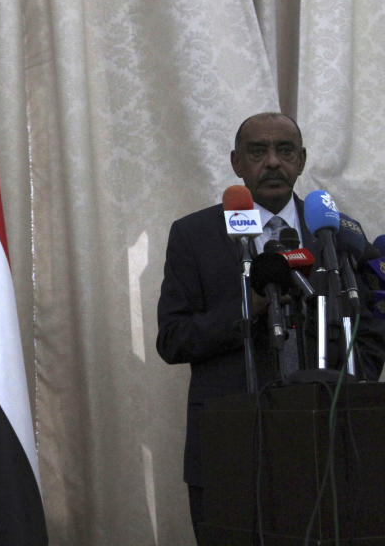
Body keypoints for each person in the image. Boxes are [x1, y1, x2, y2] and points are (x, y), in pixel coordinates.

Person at [156, 111, 385, 541]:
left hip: (330, 443)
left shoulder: (336, 233)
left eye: (284, 151)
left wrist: (355, 383)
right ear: (236, 163)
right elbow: (173, 339)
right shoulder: (194, 234)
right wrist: (255, 302)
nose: (273, 162)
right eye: (257, 151)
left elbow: (371, 319)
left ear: (301, 160)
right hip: (232, 449)